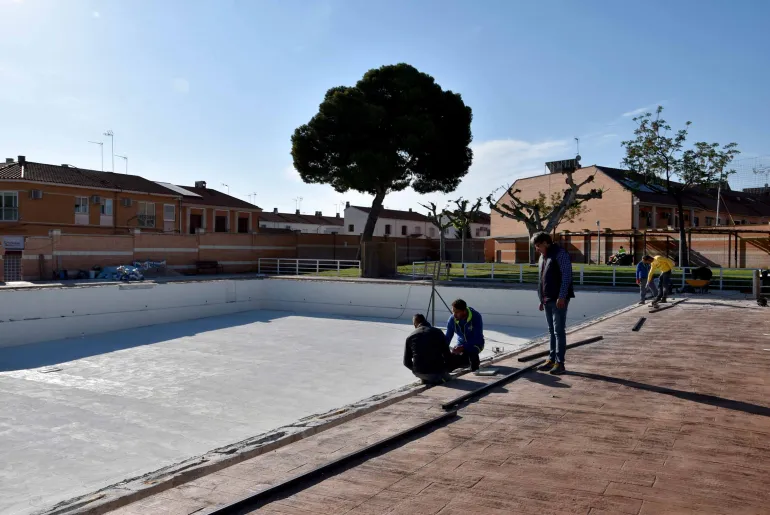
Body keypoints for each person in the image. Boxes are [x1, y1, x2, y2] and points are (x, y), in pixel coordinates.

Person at [533, 231, 574, 375]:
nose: (536, 249)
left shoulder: (560, 254)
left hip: (558, 300)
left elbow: (567, 275)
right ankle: (551, 359)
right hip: (547, 300)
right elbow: (541, 280)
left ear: (546, 243)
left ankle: (560, 362)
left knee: (558, 331)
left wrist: (562, 296)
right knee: (551, 331)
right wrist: (541, 299)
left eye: (538, 246)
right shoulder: (542, 257)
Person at [403, 314, 452, 384]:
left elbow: (406, 362)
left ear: (415, 324)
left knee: (427, 374)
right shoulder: (438, 332)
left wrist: (417, 369)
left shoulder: (410, 336)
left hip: (419, 372)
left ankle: (425, 378)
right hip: (437, 371)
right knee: (451, 380)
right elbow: (447, 355)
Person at [445, 299, 484, 372]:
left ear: (464, 311)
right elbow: (447, 337)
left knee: (472, 355)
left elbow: (477, 338)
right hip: (461, 344)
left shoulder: (476, 317)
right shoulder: (452, 319)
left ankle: (474, 367)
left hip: (476, 344)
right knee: (451, 360)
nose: (454, 314)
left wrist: (463, 347)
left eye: (457, 312)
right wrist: (443, 350)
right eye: (453, 312)